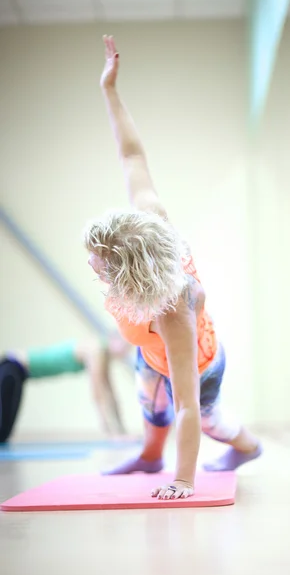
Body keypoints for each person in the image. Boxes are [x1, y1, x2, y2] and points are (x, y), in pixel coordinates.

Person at [84, 35, 262, 501]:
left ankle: (248, 445)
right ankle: (148, 455)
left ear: (131, 276)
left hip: (197, 364)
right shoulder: (148, 217)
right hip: (153, 353)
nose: (90, 264)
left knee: (207, 417)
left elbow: (185, 405)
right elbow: (132, 155)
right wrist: (110, 90)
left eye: (100, 265)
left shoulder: (171, 313)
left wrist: (185, 480)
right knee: (150, 405)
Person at [0, 333, 129, 442]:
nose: (127, 351)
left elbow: (109, 392)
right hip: (12, 366)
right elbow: (99, 394)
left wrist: (121, 432)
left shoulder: (102, 353)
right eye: (125, 345)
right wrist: (112, 434)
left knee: (4, 433)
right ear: (114, 340)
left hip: (18, 371)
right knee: (2, 432)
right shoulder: (96, 349)